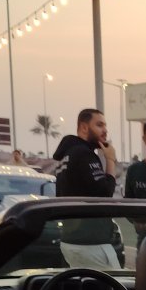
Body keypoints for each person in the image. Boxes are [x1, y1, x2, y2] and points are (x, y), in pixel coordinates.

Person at [51, 107, 120, 268]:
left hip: (71, 239)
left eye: (105, 126)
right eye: (100, 125)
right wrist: (110, 160)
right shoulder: (84, 154)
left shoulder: (67, 155)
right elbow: (105, 192)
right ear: (84, 127)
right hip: (91, 242)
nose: (105, 131)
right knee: (117, 288)